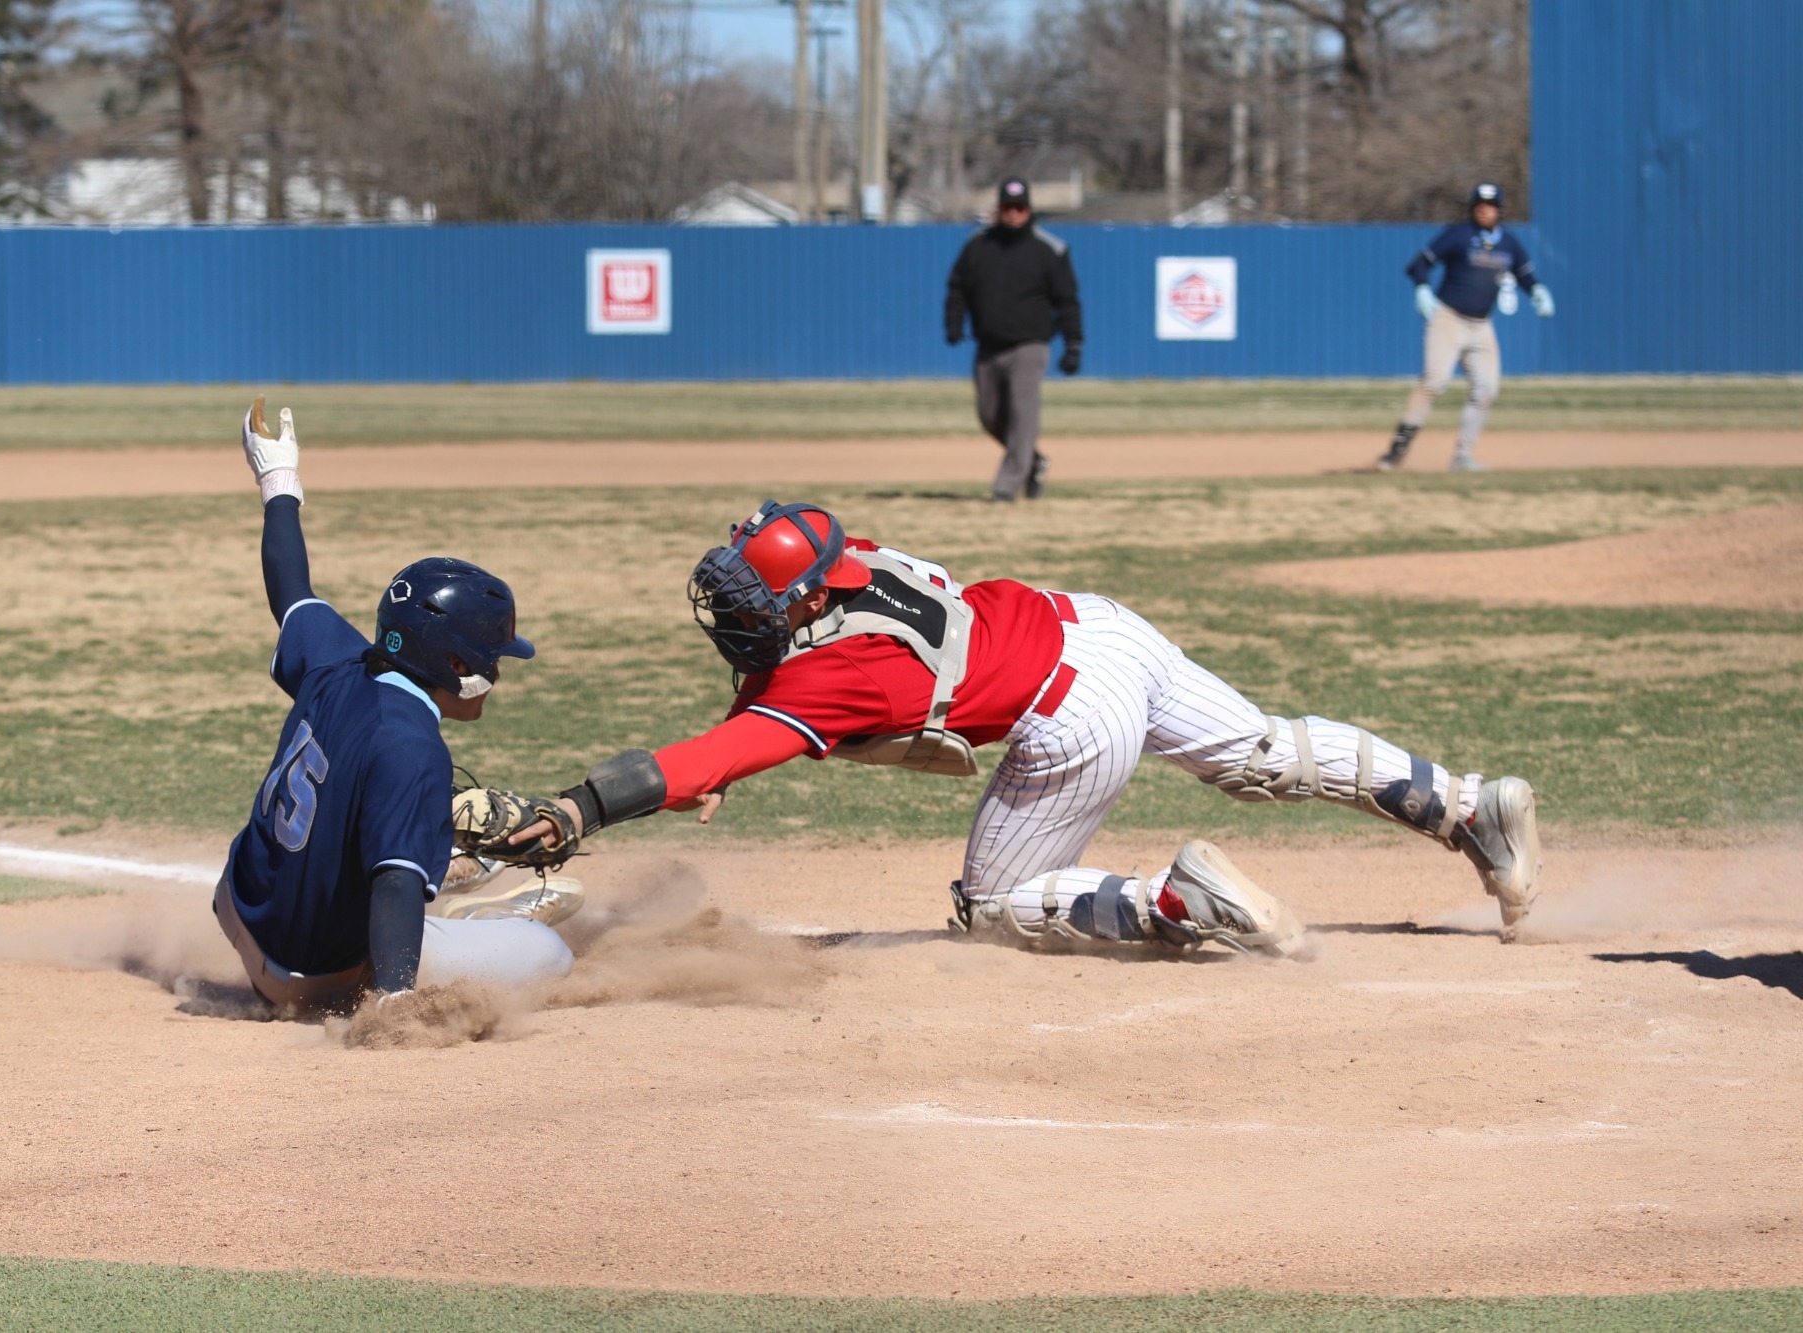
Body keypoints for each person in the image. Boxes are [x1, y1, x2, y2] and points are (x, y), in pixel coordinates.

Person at [517, 501, 1542, 952]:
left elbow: (727, 744)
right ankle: (1465, 806)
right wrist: (738, 739)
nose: (736, 613)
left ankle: (1180, 901)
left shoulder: (838, 675)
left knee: (995, 906)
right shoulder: (852, 563)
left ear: (794, 606)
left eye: (749, 600)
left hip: (1066, 713)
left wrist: (581, 806)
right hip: (1095, 626)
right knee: (1262, 751)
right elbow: (765, 699)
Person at [215, 397, 579, 1013]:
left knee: (387, 829)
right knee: (549, 952)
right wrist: (394, 1003)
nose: (497, 671)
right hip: (308, 978)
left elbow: (291, 590)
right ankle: (474, 911)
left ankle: (453, 870)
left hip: (239, 910)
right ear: (458, 666)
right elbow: (394, 885)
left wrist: (277, 477)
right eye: (494, 658)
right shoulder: (414, 748)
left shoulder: (339, 659)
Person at [1378, 182, 1555, 473]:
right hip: (1448, 320)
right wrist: (1422, 288)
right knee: (1434, 383)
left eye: (1491, 205)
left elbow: (1524, 275)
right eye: (1479, 205)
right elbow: (1419, 264)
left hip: (1481, 326)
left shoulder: (1508, 243)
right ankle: (1397, 449)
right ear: (1473, 207)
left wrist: (1537, 291)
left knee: (1486, 390)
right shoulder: (1459, 235)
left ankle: (1462, 456)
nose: (1485, 210)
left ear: (1499, 209)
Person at [944, 178, 1084, 503]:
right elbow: (957, 288)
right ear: (1000, 208)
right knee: (990, 415)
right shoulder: (978, 245)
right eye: (1008, 207)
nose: (1014, 214)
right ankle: (1033, 461)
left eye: (1020, 207)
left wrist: (1073, 345)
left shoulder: (1049, 248)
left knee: (1023, 416)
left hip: (1029, 345)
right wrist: (954, 323)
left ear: (1029, 209)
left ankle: (1005, 489)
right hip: (988, 347)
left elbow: (1067, 300)